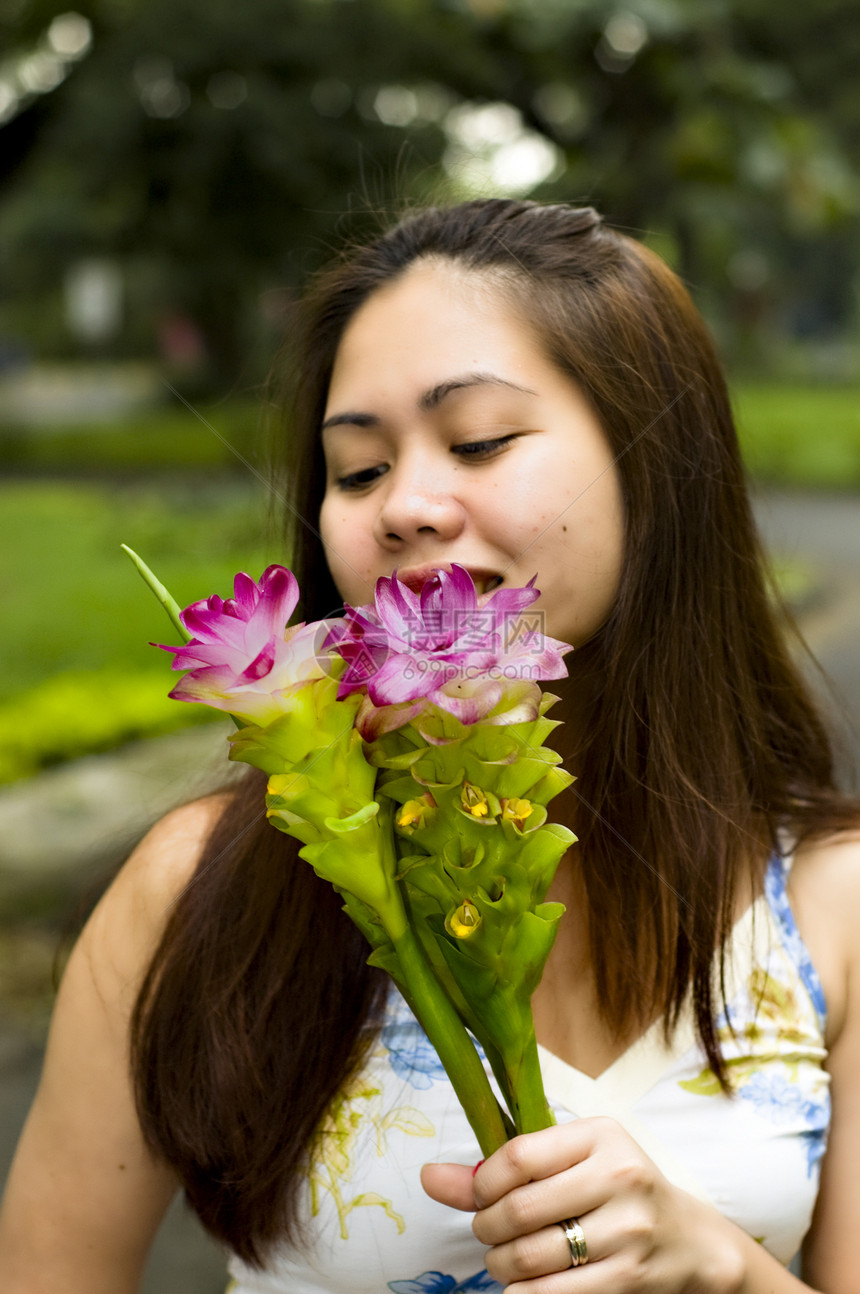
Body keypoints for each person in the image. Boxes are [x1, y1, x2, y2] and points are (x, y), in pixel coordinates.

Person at [1, 198, 859, 1293]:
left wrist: (723, 1272)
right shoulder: (187, 891)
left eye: (479, 441)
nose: (402, 505)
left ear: (657, 463)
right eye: (356, 470)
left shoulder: (829, 897)